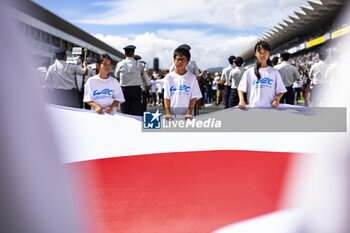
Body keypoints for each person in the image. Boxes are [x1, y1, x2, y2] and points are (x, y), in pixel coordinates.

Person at [238, 41, 286, 108]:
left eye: (265, 52)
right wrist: (241, 100)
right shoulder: (249, 72)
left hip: (270, 108)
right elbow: (241, 89)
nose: (262, 55)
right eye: (260, 52)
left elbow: (281, 90)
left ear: (269, 53)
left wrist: (277, 100)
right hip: (253, 108)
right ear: (255, 54)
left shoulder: (275, 72)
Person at [163, 47, 202, 120]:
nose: (180, 62)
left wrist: (189, 112)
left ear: (187, 62)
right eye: (178, 59)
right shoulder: (169, 77)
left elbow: (193, 97)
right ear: (174, 61)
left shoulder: (192, 77)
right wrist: (168, 112)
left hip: (187, 116)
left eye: (183, 59)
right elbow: (166, 97)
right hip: (172, 115)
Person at [114, 45, 142, 116]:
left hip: (124, 90)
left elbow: (116, 76)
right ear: (133, 54)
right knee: (136, 110)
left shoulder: (120, 64)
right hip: (136, 89)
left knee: (124, 110)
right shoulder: (140, 64)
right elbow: (142, 73)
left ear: (125, 54)